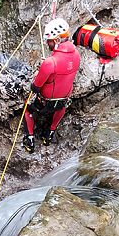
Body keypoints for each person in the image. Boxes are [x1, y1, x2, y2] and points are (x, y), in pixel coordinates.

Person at [22, 18, 81, 153]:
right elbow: (64, 68)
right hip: (62, 101)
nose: (46, 43)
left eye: (48, 41)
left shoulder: (50, 62)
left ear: (57, 40)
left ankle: (30, 139)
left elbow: (36, 86)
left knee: (28, 109)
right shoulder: (77, 54)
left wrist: (42, 68)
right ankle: (49, 134)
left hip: (45, 101)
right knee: (61, 108)